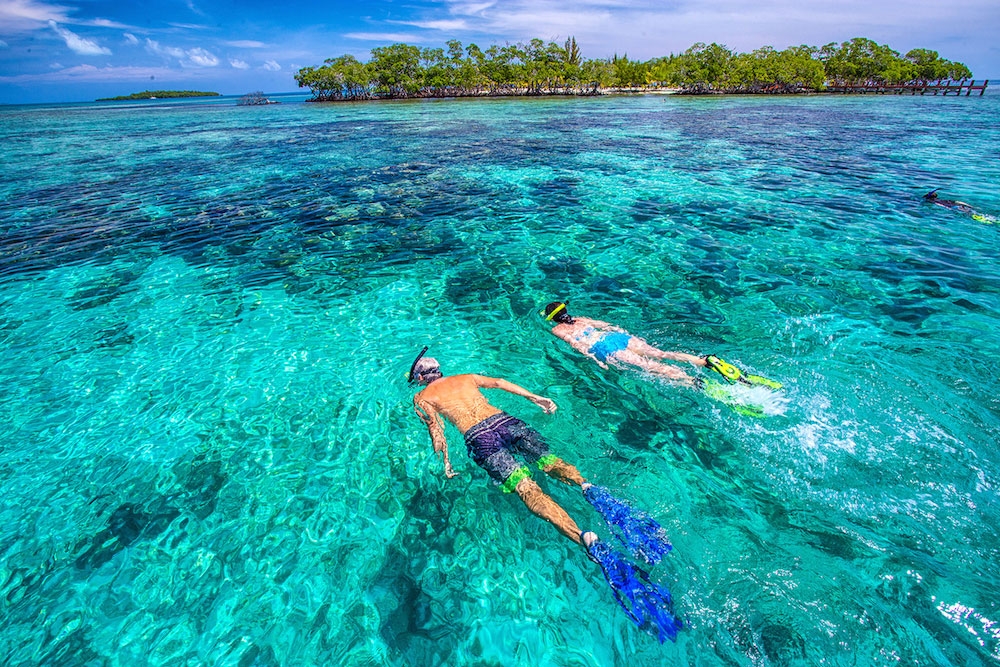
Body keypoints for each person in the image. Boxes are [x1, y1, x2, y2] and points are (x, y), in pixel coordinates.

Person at [408, 348, 682, 641]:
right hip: (505, 421)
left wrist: (446, 463)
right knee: (551, 464)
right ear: (438, 370)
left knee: (527, 489)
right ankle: (587, 487)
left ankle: (584, 538)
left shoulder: (422, 398)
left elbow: (437, 434)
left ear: (422, 377)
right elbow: (500, 382)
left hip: (480, 438)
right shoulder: (466, 377)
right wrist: (534, 397)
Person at [542, 301, 780, 389]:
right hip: (619, 338)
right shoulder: (581, 318)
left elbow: (576, 344)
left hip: (606, 349)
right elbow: (610, 325)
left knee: (652, 367)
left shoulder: (557, 329)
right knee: (661, 354)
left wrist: (594, 359)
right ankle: (704, 360)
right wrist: (626, 334)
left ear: (552, 319)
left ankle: (694, 382)